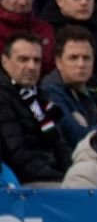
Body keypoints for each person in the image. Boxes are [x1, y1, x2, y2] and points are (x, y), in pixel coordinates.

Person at [0, 33, 71, 184]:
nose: (31, 66)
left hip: (52, 178)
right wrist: (61, 180)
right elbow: (16, 155)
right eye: (23, 59)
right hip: (22, 186)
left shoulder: (40, 96)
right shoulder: (3, 98)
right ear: (5, 62)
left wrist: (71, 174)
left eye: (37, 60)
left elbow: (60, 144)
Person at [41, 26, 97, 148]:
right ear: (58, 62)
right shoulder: (48, 94)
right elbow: (76, 136)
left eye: (86, 58)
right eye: (73, 58)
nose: (81, 64)